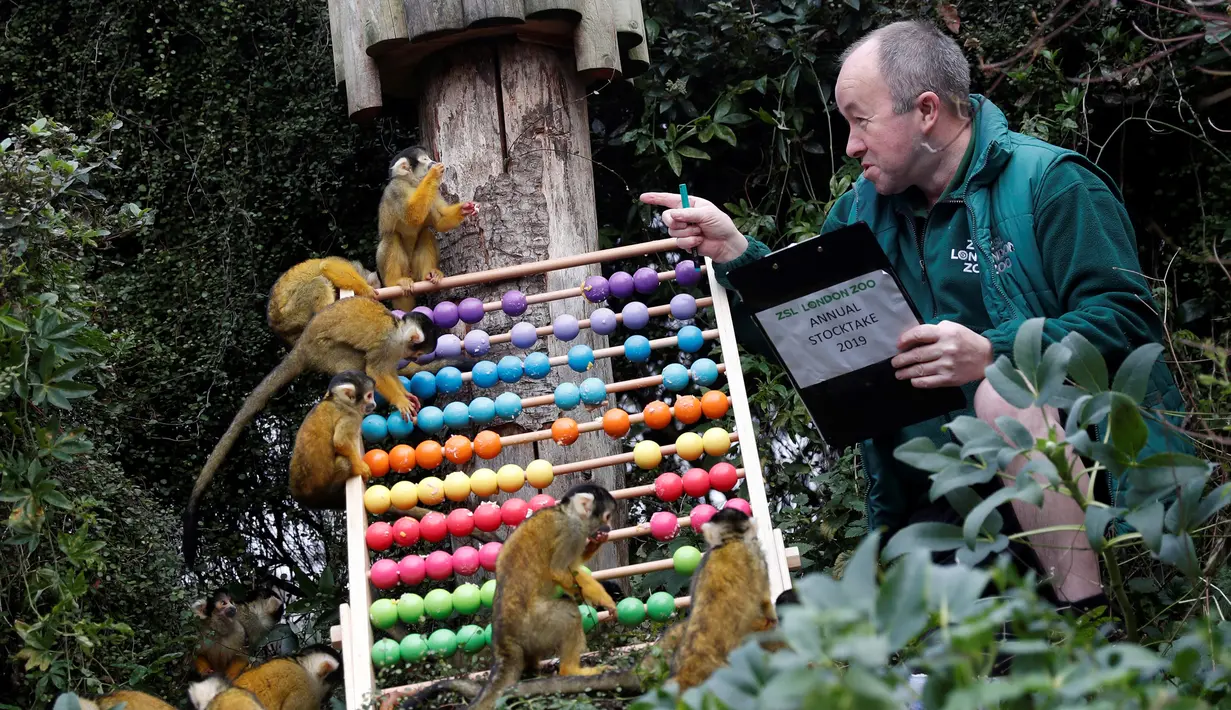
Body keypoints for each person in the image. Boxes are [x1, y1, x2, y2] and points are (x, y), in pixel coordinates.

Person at [641, 20, 1191, 613]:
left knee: (1003, 393)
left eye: (861, 121)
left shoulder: (1051, 184)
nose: (850, 145)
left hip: (1087, 474)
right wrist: (736, 255)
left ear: (926, 110)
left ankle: (1092, 620)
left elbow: (1128, 319)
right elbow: (816, 343)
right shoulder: (858, 215)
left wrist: (993, 352)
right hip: (943, 501)